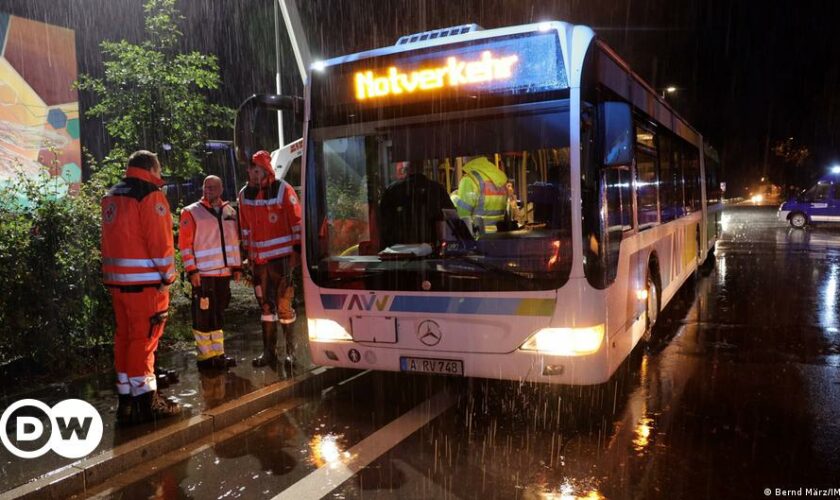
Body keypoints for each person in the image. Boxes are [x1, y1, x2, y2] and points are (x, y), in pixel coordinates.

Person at [101, 150, 181, 425]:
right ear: (152, 168)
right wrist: (169, 277)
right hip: (146, 285)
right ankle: (147, 403)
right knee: (144, 342)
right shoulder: (150, 195)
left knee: (124, 338)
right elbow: (160, 243)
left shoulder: (113, 195)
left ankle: (126, 401)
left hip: (117, 284)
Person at [238, 150, 302, 370]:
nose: (252, 174)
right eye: (250, 170)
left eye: (256, 170)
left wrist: (297, 251)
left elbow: (297, 221)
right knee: (266, 307)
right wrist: (246, 255)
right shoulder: (244, 194)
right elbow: (245, 227)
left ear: (265, 169)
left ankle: (291, 352)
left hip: (281, 259)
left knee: (284, 305)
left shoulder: (282, 188)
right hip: (259, 262)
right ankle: (269, 352)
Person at [179, 175, 242, 371]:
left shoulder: (229, 212)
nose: (208, 191)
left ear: (221, 189)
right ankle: (206, 359)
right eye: (206, 187)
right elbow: (185, 245)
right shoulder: (191, 212)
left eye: (213, 187)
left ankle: (218, 354)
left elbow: (234, 242)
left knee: (218, 315)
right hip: (203, 275)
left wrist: (237, 267)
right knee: (203, 317)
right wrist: (192, 270)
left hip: (223, 275)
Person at [378, 162, 454, 248]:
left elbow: (382, 225)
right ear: (423, 168)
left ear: (405, 169)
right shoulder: (437, 189)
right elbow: (451, 219)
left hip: (398, 253)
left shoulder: (392, 191)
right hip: (430, 251)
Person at [451, 156, 508, 233]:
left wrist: (453, 198)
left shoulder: (469, 179)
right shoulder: (499, 178)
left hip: (478, 235)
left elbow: (463, 214)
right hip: (499, 234)